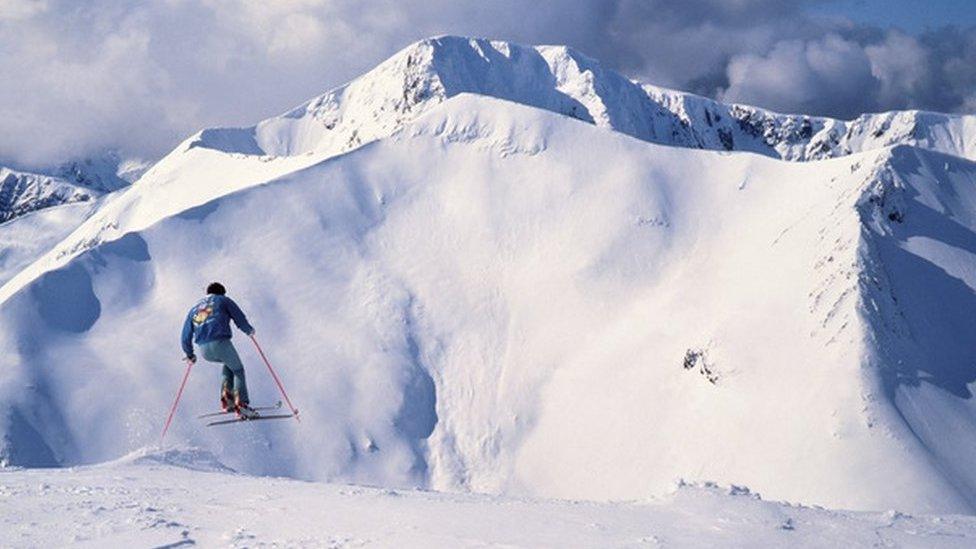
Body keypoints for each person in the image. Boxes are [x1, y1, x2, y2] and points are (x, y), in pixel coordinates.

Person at [181, 282, 259, 419]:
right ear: (221, 292)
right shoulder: (223, 300)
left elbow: (185, 334)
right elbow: (238, 317)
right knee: (238, 370)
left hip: (204, 350)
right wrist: (249, 330)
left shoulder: (195, 309)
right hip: (220, 343)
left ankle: (227, 401)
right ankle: (242, 406)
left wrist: (189, 354)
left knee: (229, 364)